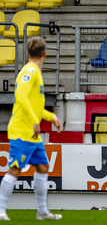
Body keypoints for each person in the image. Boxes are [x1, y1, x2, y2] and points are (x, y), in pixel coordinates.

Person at [0, 37, 63, 220]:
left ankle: (42, 212)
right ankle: (1, 210)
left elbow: (32, 104)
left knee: (43, 166)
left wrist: (51, 117)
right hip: (22, 131)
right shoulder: (30, 71)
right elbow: (20, 96)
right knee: (15, 169)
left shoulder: (33, 71)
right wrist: (35, 120)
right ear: (45, 54)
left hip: (32, 133)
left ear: (27, 53)